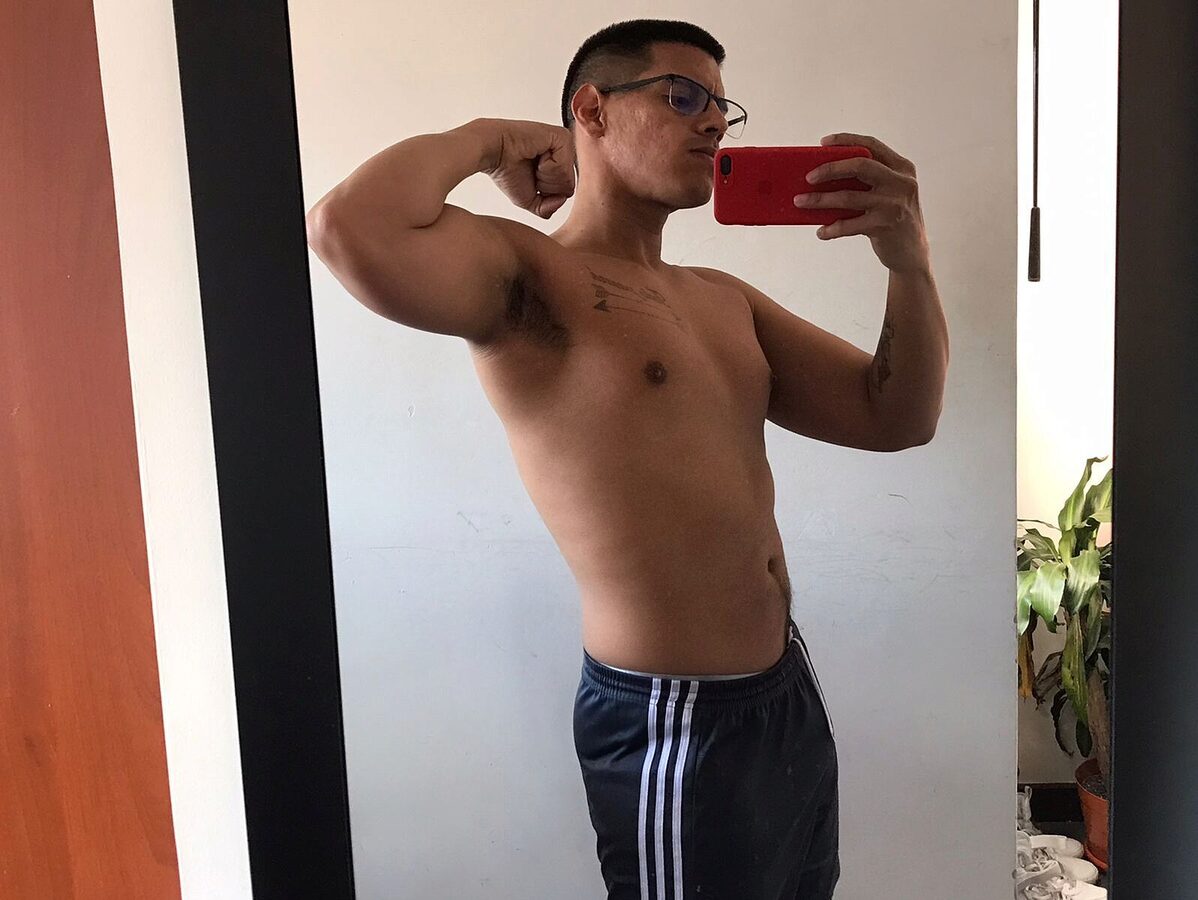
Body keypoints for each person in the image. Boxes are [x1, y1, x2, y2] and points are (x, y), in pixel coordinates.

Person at [305, 18, 948, 900]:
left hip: (783, 692)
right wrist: (494, 139)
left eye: (723, 107)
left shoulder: (722, 300)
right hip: (672, 720)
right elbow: (347, 227)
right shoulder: (531, 277)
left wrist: (909, 262)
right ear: (592, 110)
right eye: (684, 96)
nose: (713, 121)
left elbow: (897, 414)